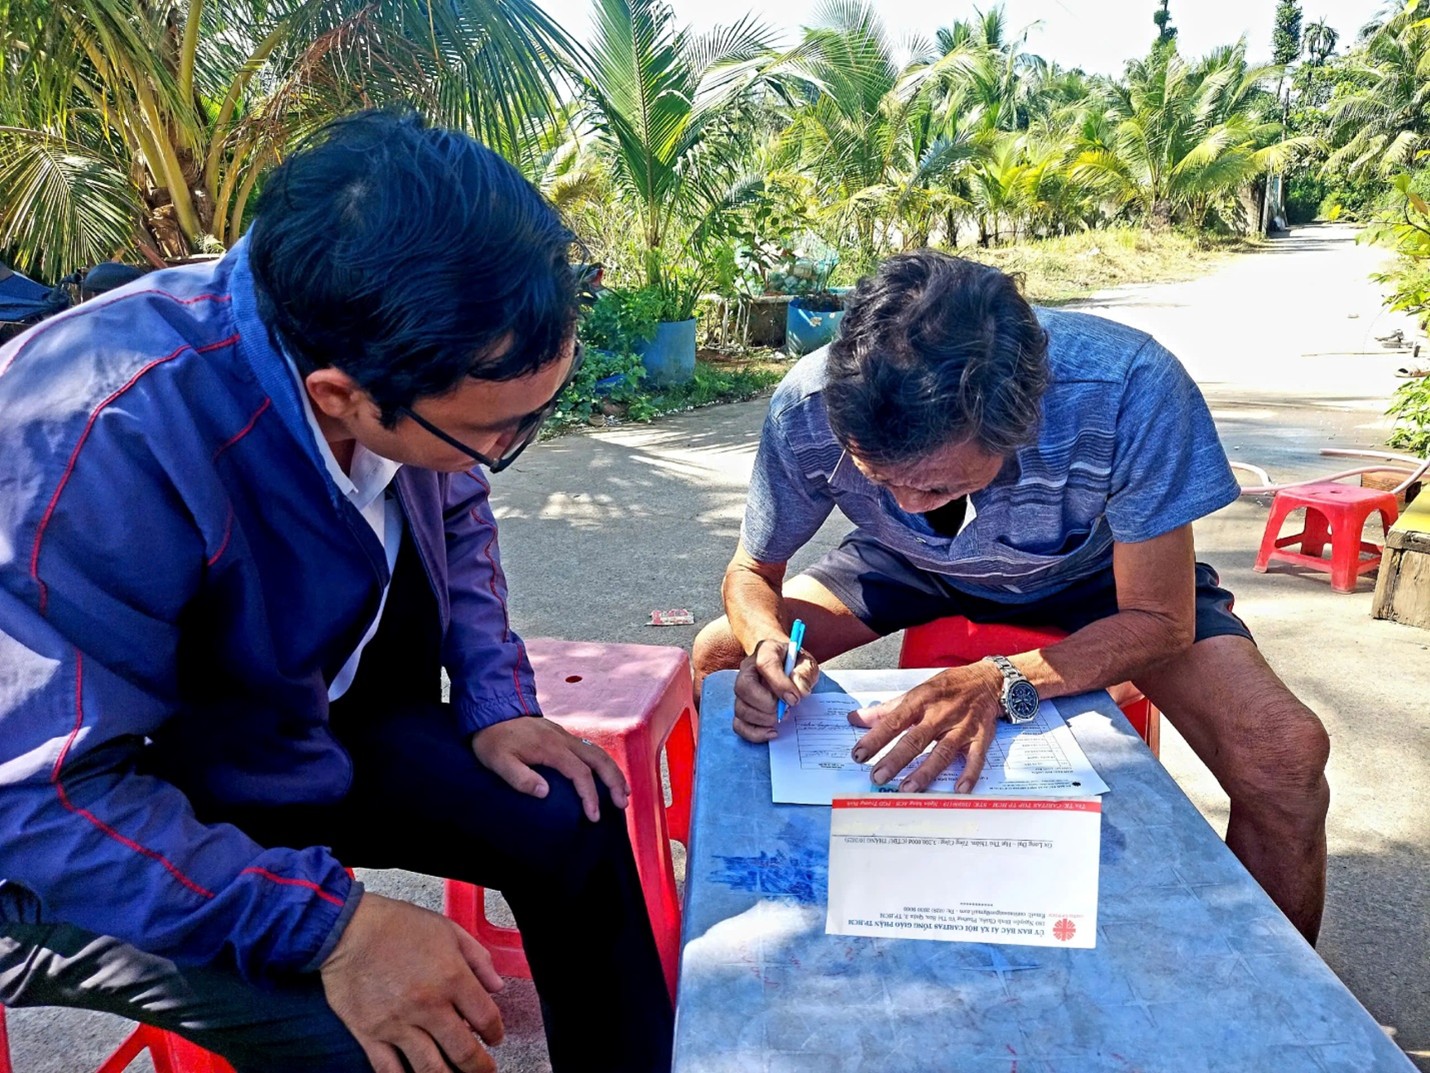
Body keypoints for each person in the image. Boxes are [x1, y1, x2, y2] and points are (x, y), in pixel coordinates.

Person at [0, 109, 673, 1073]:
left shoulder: (387, 345)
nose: (502, 451)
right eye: (497, 432)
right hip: (76, 838)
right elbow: (43, 806)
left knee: (571, 816)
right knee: (402, 1041)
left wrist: (496, 699)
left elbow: (457, 505)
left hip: (280, 730)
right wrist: (333, 928)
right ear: (337, 396)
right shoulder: (91, 439)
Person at [694, 250, 1331, 943]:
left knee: (1284, 754)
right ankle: (750, 881)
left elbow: (1161, 618)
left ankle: (1273, 987)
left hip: (1099, 575)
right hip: (907, 562)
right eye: (879, 479)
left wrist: (1001, 678)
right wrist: (766, 645)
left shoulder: (1130, 387)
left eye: (939, 487)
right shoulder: (807, 405)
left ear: (1024, 422)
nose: (907, 501)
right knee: (720, 652)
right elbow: (751, 572)